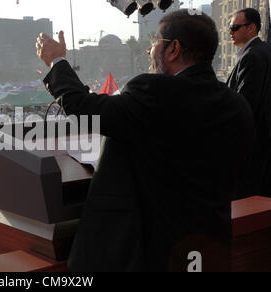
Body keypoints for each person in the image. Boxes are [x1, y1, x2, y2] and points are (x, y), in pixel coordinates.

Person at [36, 9, 254, 271]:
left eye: (154, 43)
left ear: (173, 49)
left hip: (152, 252)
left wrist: (57, 61)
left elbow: (83, 107)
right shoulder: (237, 105)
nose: (150, 51)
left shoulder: (154, 93)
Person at [227, 8, 271, 198]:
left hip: (255, 147)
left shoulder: (252, 56)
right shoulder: (265, 51)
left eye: (235, 27)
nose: (231, 32)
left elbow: (245, 106)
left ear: (251, 28)